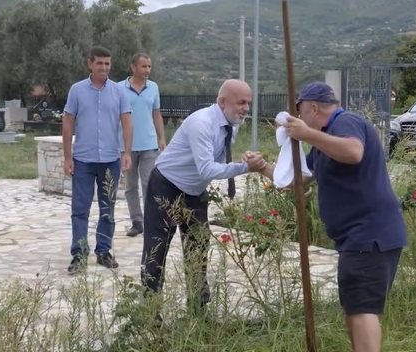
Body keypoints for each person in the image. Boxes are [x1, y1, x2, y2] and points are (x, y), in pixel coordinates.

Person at [256, 82, 406, 352]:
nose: (298, 120)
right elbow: (296, 181)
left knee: (363, 310)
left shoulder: (345, 122)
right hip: (356, 238)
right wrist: (262, 168)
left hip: (371, 234)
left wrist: (308, 134)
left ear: (312, 108)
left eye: (300, 112)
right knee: (354, 307)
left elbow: (353, 152)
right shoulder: (322, 145)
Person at [140, 79, 266, 314]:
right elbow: (207, 169)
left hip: (195, 191)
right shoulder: (201, 123)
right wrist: (244, 168)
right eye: (241, 102)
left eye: (249, 103)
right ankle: (151, 316)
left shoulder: (231, 124)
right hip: (166, 186)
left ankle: (198, 313)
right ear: (222, 102)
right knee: (156, 251)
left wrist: (243, 160)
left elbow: (216, 161)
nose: (246, 108)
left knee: (198, 251)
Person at [62, 46, 133, 273]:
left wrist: (127, 152)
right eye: (100, 63)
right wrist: (67, 157)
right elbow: (67, 122)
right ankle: (79, 255)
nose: (104, 68)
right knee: (80, 209)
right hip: (83, 159)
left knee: (107, 209)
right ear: (90, 64)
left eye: (107, 64)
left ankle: (103, 251)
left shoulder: (119, 91)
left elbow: (126, 122)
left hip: (110, 160)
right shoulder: (77, 90)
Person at [121, 53, 166, 237]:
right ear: (133, 67)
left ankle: (151, 222)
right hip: (127, 146)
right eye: (143, 66)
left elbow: (156, 113)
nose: (147, 70)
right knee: (131, 186)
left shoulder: (153, 87)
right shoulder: (119, 88)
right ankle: (136, 222)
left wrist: (161, 137)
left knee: (150, 184)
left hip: (149, 144)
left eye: (149, 66)